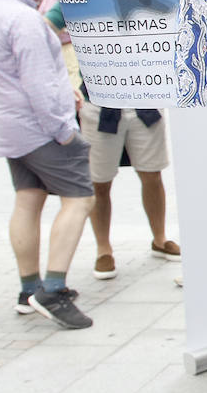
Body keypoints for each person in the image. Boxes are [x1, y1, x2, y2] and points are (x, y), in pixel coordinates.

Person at [0, 0, 94, 329]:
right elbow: (39, 83)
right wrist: (63, 130)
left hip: (10, 127)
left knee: (28, 199)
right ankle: (53, 291)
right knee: (79, 200)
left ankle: (28, 289)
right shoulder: (24, 21)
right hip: (41, 128)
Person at [78, 97, 181, 280]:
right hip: (99, 104)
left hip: (144, 101)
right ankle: (103, 249)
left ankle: (160, 239)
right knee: (99, 183)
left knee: (152, 174)